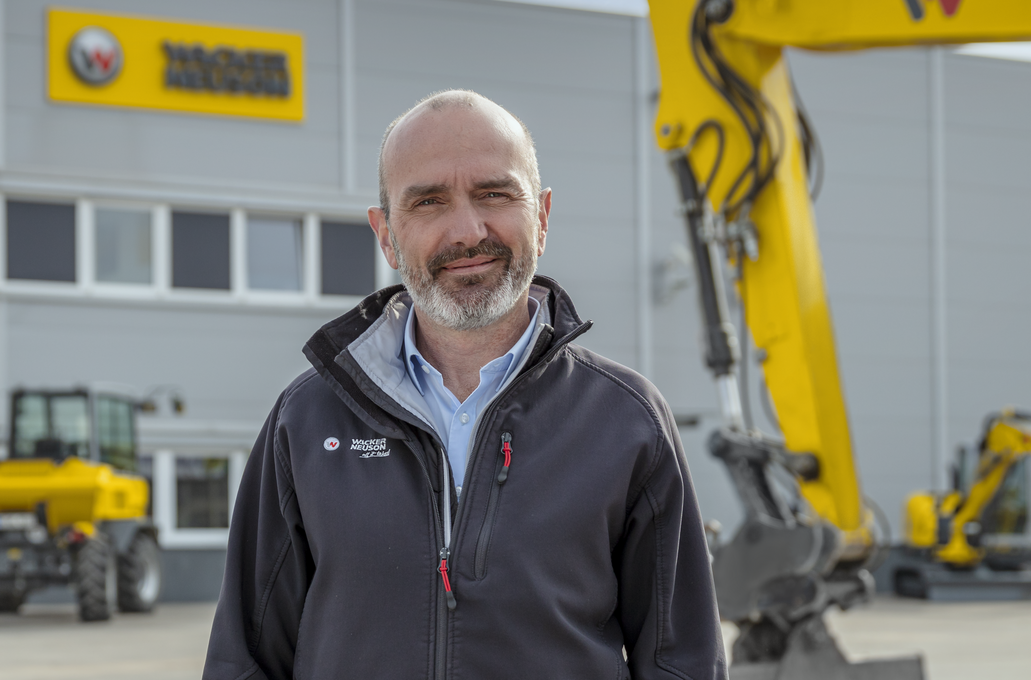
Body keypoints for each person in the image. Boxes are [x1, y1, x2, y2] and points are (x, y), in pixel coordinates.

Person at [204, 90, 725, 680]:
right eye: (428, 201)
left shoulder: (627, 421)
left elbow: (682, 662)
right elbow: (243, 660)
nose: (467, 231)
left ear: (543, 216)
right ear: (386, 235)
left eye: (494, 194)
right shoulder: (308, 419)